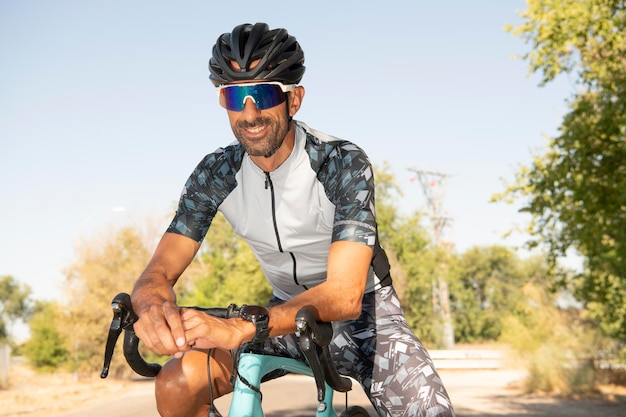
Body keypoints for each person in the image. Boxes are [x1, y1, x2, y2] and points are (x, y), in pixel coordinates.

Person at [130, 22, 456, 417]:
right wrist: (152, 309)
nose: (250, 113)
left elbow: (344, 295)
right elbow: (158, 273)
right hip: (279, 314)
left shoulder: (341, 162)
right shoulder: (215, 173)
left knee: (431, 412)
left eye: (264, 93)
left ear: (294, 99)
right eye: (235, 96)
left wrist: (244, 327)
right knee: (177, 384)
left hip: (367, 316)